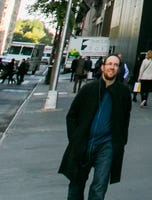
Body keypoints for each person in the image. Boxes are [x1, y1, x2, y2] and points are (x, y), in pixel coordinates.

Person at [59, 54, 132, 200]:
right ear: (103, 67)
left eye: (116, 65)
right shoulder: (88, 89)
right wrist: (75, 139)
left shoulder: (123, 93)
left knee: (99, 187)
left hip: (106, 146)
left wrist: (120, 142)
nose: (112, 67)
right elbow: (71, 115)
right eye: (109, 64)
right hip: (83, 144)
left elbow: (125, 120)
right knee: (76, 185)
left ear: (118, 69)